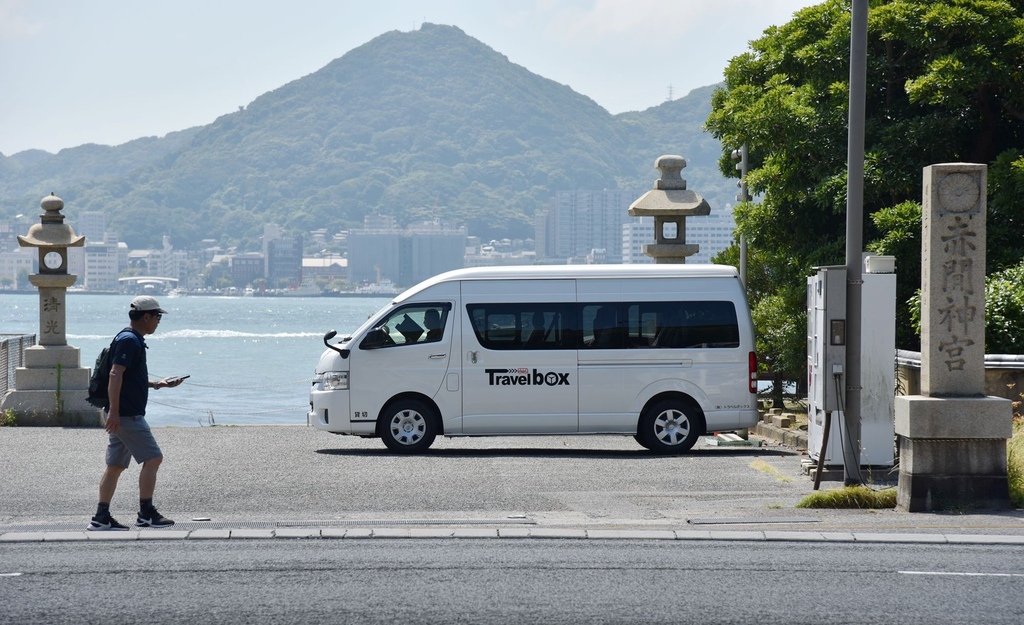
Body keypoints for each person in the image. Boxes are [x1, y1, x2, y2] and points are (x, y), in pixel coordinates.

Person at [87, 295, 185, 531]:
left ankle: (101, 517)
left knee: (115, 466)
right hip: (127, 415)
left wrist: (158, 384)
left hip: (121, 414)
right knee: (153, 458)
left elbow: (129, 378)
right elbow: (115, 374)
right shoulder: (130, 340)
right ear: (146, 317)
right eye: (158, 317)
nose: (159, 321)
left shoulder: (128, 338)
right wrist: (115, 413)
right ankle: (146, 514)